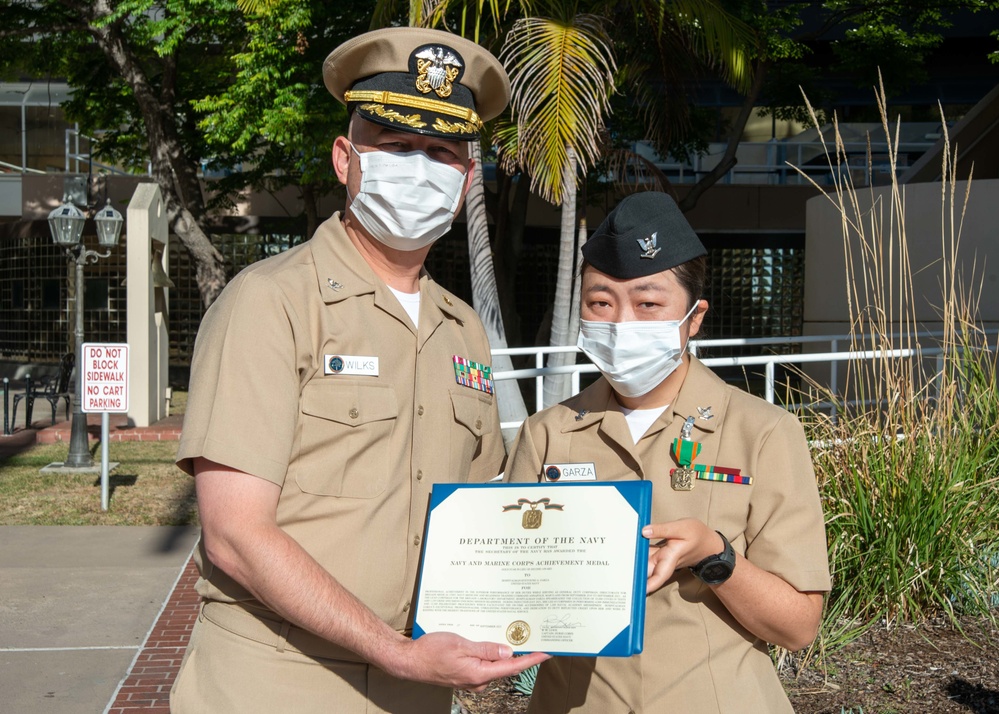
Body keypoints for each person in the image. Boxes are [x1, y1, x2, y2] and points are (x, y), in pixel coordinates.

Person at [171, 27, 547, 714]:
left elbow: (473, 516)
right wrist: (396, 650)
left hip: (417, 686)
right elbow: (234, 534)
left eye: (441, 153)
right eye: (397, 147)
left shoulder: (460, 327)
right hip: (277, 680)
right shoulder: (273, 300)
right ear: (346, 159)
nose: (419, 168)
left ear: (466, 179)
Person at [504, 191, 831, 713]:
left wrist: (715, 555)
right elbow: (505, 589)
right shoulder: (548, 433)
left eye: (649, 303)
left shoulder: (763, 432)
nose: (622, 322)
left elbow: (797, 625)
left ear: (694, 317)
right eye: (601, 302)